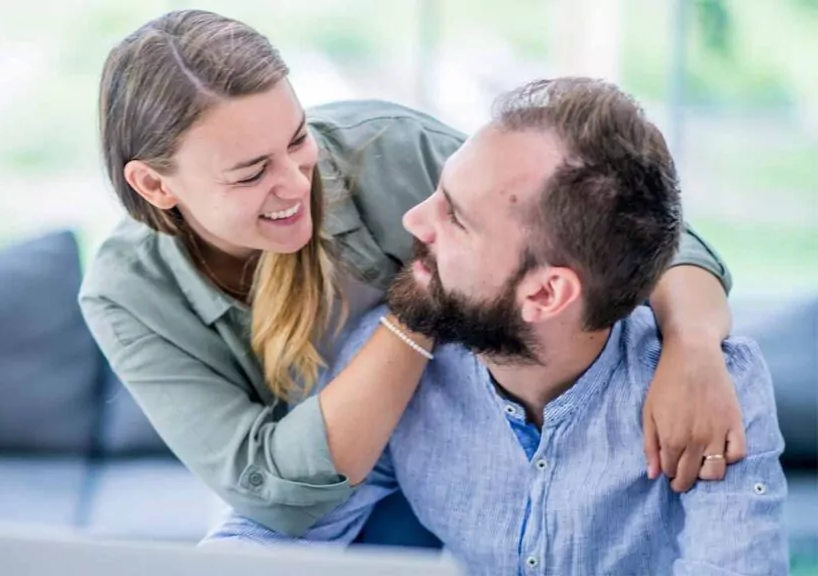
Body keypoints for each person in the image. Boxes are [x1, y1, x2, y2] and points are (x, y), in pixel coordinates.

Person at [79, 9, 746, 538]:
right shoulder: (126, 295)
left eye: (295, 139)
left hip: (469, 470)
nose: (294, 182)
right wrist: (414, 314)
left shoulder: (385, 148)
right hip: (330, 510)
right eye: (252, 172)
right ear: (154, 185)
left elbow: (625, 230)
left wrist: (692, 350)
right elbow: (275, 495)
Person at [204, 77, 789, 575]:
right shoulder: (398, 358)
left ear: (546, 293)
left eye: (455, 218)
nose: (414, 220)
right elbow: (276, 531)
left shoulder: (713, 395)